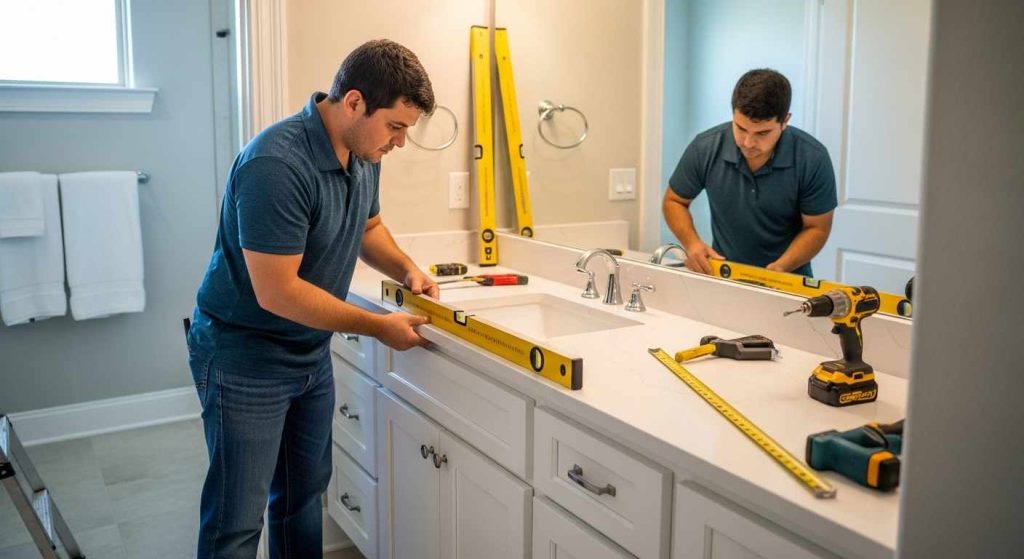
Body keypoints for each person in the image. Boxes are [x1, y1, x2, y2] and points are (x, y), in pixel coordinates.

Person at [185, 39, 439, 558]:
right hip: (243, 359)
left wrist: (407, 267)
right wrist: (375, 326)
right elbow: (277, 291)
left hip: (307, 356)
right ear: (353, 102)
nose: (399, 143)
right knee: (236, 520)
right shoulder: (275, 164)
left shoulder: (364, 152)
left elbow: (369, 228)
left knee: (301, 501)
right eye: (396, 127)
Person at [663, 68, 837, 277]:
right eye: (741, 128)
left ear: (785, 121)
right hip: (724, 275)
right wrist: (692, 244)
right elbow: (674, 201)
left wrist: (780, 268)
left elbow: (817, 228)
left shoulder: (812, 158)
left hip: (788, 279)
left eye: (762, 133)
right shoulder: (706, 147)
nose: (748, 142)